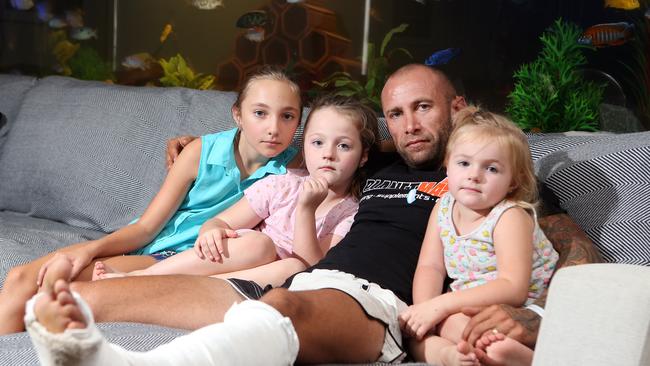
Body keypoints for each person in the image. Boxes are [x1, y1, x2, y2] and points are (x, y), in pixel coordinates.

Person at [25, 64, 601, 365]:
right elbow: (306, 151)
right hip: (304, 276)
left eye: (423, 108)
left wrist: (531, 319)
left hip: (373, 303)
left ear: (458, 108)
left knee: (282, 307)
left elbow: (567, 256)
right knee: (79, 297)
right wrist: (199, 147)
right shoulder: (373, 162)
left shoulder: (479, 178)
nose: (409, 125)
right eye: (396, 113)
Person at [0, 66, 303, 334]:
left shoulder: (294, 171)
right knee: (22, 277)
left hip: (195, 261)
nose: (273, 128)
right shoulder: (200, 152)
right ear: (238, 114)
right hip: (153, 247)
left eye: (287, 116)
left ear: (298, 122)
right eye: (259, 113)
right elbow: (146, 228)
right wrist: (88, 249)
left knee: (65, 288)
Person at [92, 94, 378, 282]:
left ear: (363, 155)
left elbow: (315, 267)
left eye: (343, 146)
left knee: (294, 267)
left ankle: (176, 286)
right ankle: (143, 279)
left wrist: (306, 209)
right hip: (242, 259)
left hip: (272, 280)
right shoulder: (283, 184)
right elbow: (222, 221)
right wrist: (212, 229)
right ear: (304, 147)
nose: (328, 154)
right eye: (318, 143)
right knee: (259, 243)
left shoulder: (352, 212)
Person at [400, 106, 558, 366]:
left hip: (517, 312)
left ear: (513, 182)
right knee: (412, 333)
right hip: (467, 308)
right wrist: (425, 309)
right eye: (463, 163)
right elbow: (430, 267)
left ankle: (518, 356)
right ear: (447, 165)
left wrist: (442, 306)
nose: (474, 175)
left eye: (492, 169)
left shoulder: (509, 216)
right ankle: (454, 356)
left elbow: (513, 288)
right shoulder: (443, 206)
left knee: (476, 338)